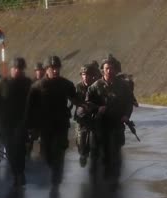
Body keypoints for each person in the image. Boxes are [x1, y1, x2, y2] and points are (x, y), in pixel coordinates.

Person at [25, 56, 84, 186]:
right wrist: (30, 127)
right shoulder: (37, 86)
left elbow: (74, 98)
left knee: (59, 151)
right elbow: (30, 108)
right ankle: (49, 172)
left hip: (61, 124)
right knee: (46, 153)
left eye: (57, 68)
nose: (55, 71)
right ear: (46, 69)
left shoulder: (66, 84)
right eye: (52, 68)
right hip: (45, 126)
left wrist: (84, 105)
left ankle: (56, 178)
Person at [86, 55, 135, 189]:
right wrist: (97, 108)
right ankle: (103, 177)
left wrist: (126, 115)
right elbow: (88, 104)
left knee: (116, 150)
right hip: (101, 124)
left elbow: (129, 102)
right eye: (107, 68)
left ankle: (114, 178)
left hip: (117, 123)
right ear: (102, 70)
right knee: (103, 151)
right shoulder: (95, 87)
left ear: (115, 70)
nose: (109, 71)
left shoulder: (123, 86)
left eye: (111, 68)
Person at [0, 57, 32, 187]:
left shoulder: (28, 83)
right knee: (10, 150)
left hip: (21, 121)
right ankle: (16, 172)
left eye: (20, 69)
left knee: (20, 148)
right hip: (6, 123)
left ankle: (20, 173)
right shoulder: (2, 83)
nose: (17, 71)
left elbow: (34, 102)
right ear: (11, 69)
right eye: (15, 68)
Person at [74, 63, 100, 167]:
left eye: (88, 74)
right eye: (84, 74)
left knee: (94, 142)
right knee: (81, 143)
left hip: (93, 118)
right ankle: (83, 154)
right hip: (81, 119)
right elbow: (74, 101)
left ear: (92, 75)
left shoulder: (96, 86)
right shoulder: (78, 87)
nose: (86, 77)